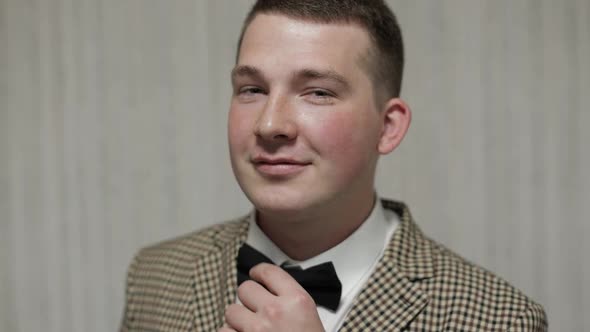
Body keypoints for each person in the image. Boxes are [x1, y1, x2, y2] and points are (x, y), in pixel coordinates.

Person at [120, 1, 547, 331]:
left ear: (387, 126)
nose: (270, 125)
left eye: (318, 93)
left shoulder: (501, 319)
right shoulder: (156, 275)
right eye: (251, 89)